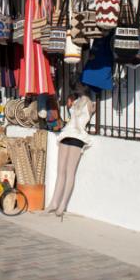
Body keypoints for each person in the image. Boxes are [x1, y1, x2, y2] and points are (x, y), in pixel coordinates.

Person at [45, 86, 95, 218]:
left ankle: (62, 204)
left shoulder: (89, 103)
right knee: (61, 171)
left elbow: (87, 114)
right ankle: (54, 202)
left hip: (77, 136)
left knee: (70, 172)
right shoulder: (76, 101)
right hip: (67, 133)